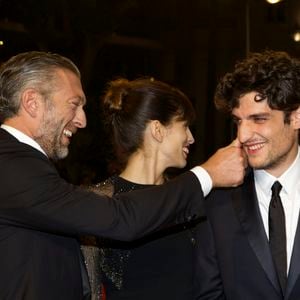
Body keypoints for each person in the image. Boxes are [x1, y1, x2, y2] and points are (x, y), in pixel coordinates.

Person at [0, 51, 246, 300]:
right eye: (74, 104)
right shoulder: (10, 165)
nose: (83, 120)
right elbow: (119, 219)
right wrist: (207, 174)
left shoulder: (24, 165)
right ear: (32, 102)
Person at [81, 77, 202, 300]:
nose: (191, 138)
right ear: (157, 129)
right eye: (185, 127)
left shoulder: (189, 198)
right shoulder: (99, 202)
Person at [195, 50, 300, 300]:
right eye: (238, 121)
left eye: (258, 119)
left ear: (296, 117)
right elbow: (208, 295)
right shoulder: (216, 202)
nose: (243, 135)